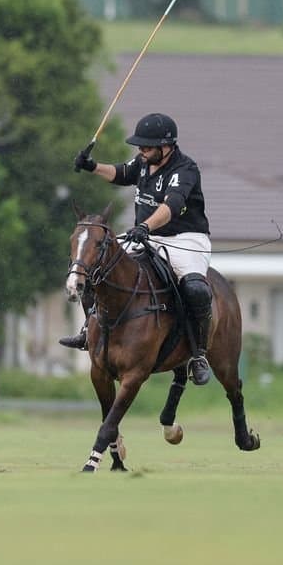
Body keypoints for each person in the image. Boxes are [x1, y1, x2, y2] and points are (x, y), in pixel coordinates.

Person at [64, 113, 214, 385]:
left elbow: (170, 207)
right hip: (145, 234)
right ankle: (89, 329)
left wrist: (145, 226)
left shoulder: (185, 170)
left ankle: (198, 354)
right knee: (94, 263)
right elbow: (121, 173)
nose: (141, 151)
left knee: (195, 289)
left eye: (146, 146)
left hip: (184, 238)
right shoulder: (145, 162)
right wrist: (92, 166)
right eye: (140, 146)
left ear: (166, 146)